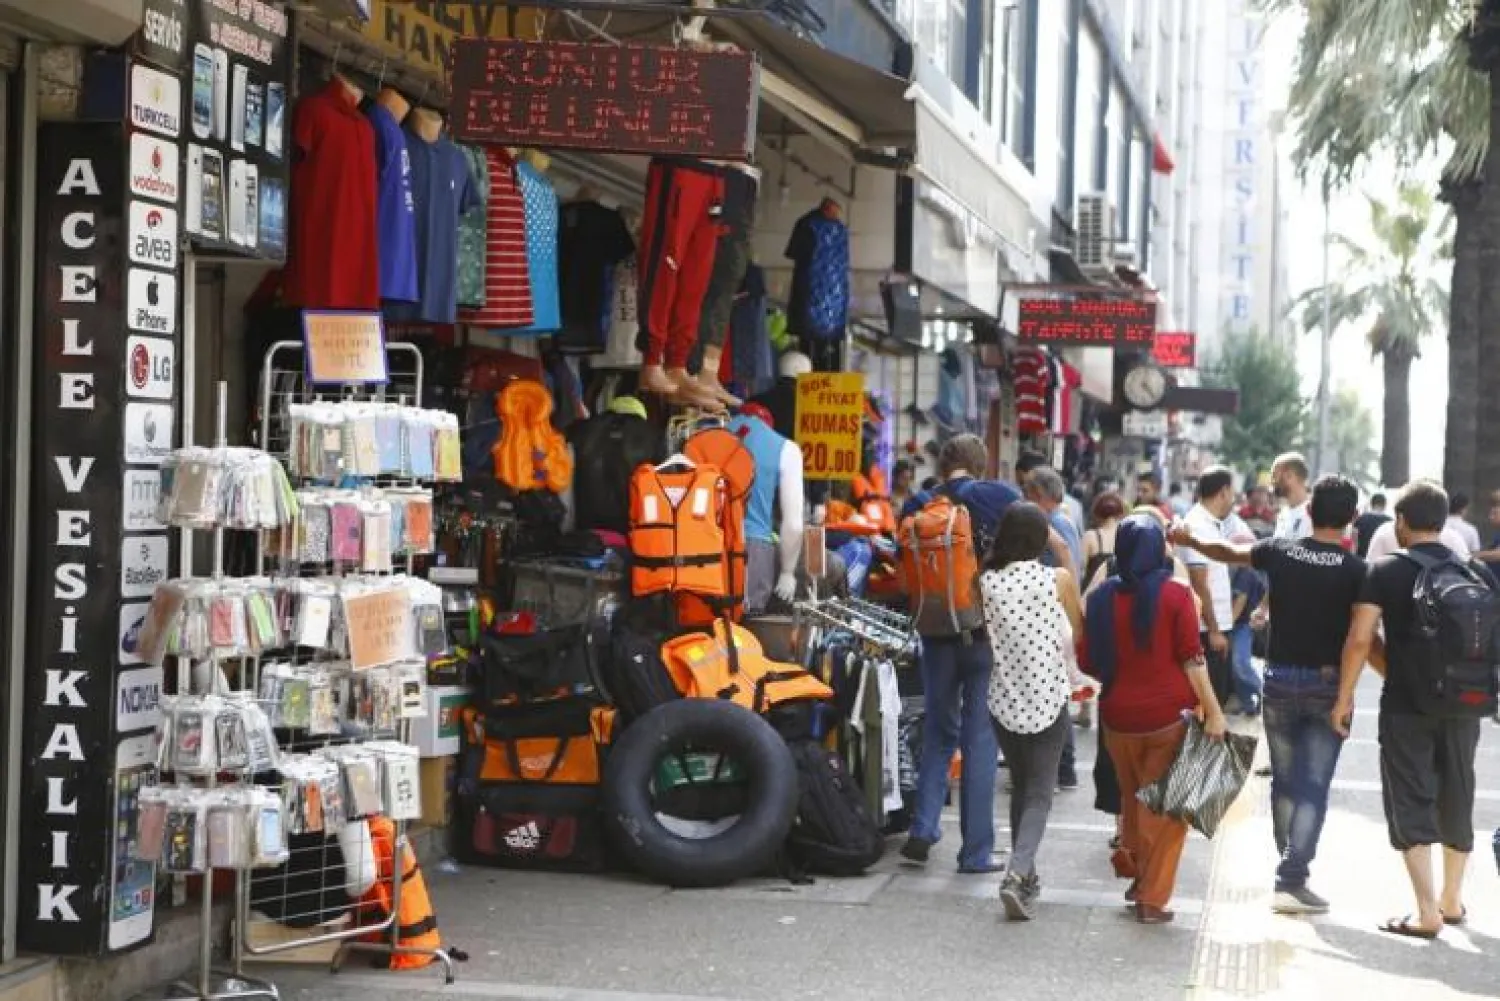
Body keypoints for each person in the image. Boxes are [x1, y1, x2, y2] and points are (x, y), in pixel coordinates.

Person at [1172, 474, 1366, 914]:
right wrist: (1345, 697)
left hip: (1277, 680)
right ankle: (1292, 876)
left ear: (1311, 513)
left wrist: (1188, 539)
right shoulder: (1357, 572)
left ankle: (1288, 862)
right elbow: (1359, 638)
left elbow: (1228, 553)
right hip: (1326, 683)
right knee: (1313, 785)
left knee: (1284, 777)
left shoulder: (1279, 551)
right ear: (1353, 519)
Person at [1335, 480, 1487, 939]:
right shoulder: (1475, 572)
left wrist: (1344, 700)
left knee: (1410, 796)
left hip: (1406, 703)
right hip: (1466, 703)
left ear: (1400, 522)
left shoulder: (1384, 571)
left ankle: (1426, 912)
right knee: (1458, 791)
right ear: (1442, 523)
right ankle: (1453, 900)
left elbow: (1361, 639)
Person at [1079, 514, 1229, 924]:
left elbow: (1089, 661)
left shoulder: (1101, 598)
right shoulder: (1177, 595)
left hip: (1116, 720)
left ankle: (1135, 871)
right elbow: (1192, 659)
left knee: (1133, 801)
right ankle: (1151, 898)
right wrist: (1214, 713)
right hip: (1168, 720)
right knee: (1167, 813)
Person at [898, 435, 1018, 873]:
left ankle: (923, 828)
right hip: (984, 633)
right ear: (980, 464)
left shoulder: (917, 505)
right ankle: (976, 853)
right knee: (979, 738)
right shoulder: (1000, 496)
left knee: (937, 733)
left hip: (933, 635)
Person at [979, 502, 1085, 920]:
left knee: (1021, 786)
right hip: (1048, 697)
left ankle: (1027, 880)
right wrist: (1062, 551)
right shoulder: (1054, 579)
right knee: (1040, 793)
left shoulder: (985, 581)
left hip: (1004, 699)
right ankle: (1016, 872)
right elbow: (1077, 620)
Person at [1179, 466, 1246, 705]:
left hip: (1213, 625)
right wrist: (1215, 629)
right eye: (1232, 492)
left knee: (1215, 699)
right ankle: (1205, 744)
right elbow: (1199, 582)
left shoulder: (1210, 523)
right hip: (1206, 629)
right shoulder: (1197, 525)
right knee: (1210, 702)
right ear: (1224, 491)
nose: (1234, 498)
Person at [1226, 539, 1267, 716]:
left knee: (1239, 664)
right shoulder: (1238, 569)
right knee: (1236, 666)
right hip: (1237, 622)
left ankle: (1265, 693)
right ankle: (1249, 704)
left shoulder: (1246, 572)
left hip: (1241, 624)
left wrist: (1226, 627)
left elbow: (1240, 601)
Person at [1272, 453, 1312, 540]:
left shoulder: (1314, 514)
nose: (1273, 482)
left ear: (1289, 475)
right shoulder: (1283, 513)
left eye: (1275, 476)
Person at [1352, 493, 1391, 558]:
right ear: (1385, 505)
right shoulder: (1390, 521)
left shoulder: (1361, 519)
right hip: (1381, 561)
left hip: (1361, 558)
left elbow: (1354, 541)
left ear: (1371, 504)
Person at [1446, 491, 1482, 556]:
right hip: (1462, 564)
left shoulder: (1439, 525)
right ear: (1463, 509)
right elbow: (1475, 554)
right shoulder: (1470, 529)